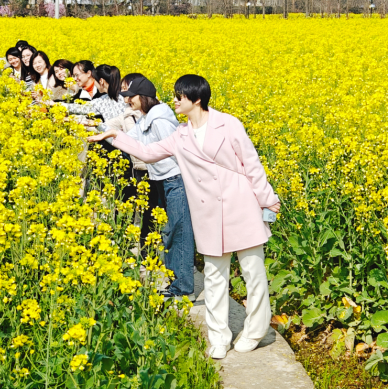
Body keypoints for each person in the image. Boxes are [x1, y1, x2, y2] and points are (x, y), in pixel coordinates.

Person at [89, 74, 280, 359]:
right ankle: (219, 337)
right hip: (208, 213)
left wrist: (267, 199)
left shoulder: (228, 124)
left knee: (253, 272)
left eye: (180, 96)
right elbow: (148, 152)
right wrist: (115, 136)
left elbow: (251, 163)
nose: (175, 101)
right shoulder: (180, 135)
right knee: (214, 276)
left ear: (197, 99)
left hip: (241, 204)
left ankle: (254, 331)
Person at [118, 74, 195, 299]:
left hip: (176, 180)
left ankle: (183, 289)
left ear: (143, 96)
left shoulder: (160, 120)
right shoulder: (146, 119)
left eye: (131, 96)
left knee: (180, 233)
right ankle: (176, 284)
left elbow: (178, 151)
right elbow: (128, 139)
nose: (127, 100)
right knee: (169, 231)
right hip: (162, 180)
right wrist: (99, 130)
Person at [59, 65, 129, 123]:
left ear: (101, 81)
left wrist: (57, 105)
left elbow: (81, 108)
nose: (94, 83)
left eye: (94, 80)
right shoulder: (125, 96)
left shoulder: (102, 101)